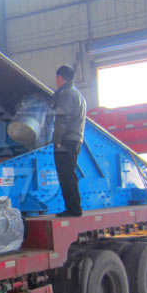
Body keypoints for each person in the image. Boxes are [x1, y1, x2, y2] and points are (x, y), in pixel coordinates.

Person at [51, 65, 86, 217]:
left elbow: (62, 119)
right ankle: (74, 208)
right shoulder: (78, 94)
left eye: (57, 78)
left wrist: (57, 140)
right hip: (75, 138)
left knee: (66, 175)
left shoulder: (66, 94)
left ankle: (73, 209)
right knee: (69, 174)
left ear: (60, 78)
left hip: (66, 140)